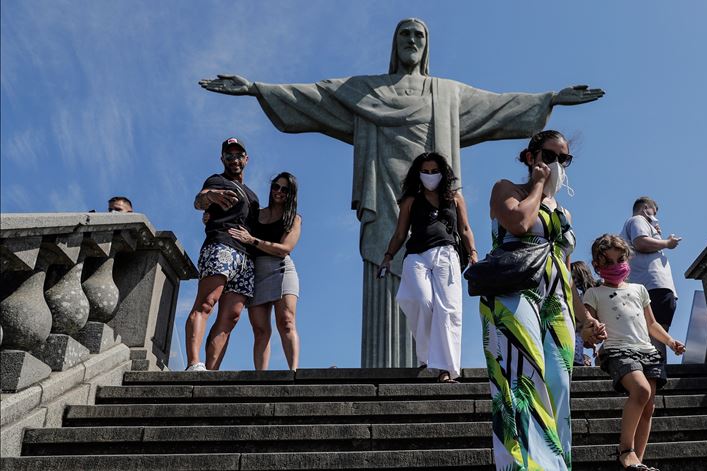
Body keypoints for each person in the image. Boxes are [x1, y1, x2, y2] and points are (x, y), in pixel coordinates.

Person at [199, 18, 605, 368]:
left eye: (419, 36)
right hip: (386, 196)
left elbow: (498, 106)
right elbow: (314, 97)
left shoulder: (446, 94)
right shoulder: (366, 92)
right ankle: (392, 367)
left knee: (441, 298)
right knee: (396, 281)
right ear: (395, 45)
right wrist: (256, 89)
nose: (412, 41)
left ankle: (440, 364)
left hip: (437, 207)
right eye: (405, 35)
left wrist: (549, 99)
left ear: (427, 47)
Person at [481, 130, 606, 470]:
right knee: (524, 378)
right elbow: (519, 222)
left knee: (559, 383)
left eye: (563, 159)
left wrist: (584, 318)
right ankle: (525, 466)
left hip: (555, 301)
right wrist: (537, 185)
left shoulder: (563, 212)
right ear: (531, 157)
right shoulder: (506, 188)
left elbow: (565, 268)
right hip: (513, 291)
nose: (556, 165)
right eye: (549, 156)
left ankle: (557, 464)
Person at [583, 234, 685, 470]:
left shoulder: (639, 290)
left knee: (648, 406)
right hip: (618, 350)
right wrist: (589, 335)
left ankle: (637, 462)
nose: (616, 266)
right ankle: (625, 451)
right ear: (597, 266)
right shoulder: (593, 294)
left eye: (620, 259)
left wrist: (670, 342)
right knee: (640, 390)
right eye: (608, 262)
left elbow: (652, 324)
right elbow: (586, 325)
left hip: (647, 350)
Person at [380, 152, 477, 383]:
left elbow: (464, 229)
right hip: (416, 256)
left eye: (435, 171)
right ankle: (427, 355)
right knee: (422, 301)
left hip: (447, 254)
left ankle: (445, 370)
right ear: (418, 173)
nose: (430, 175)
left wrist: (473, 252)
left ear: (443, 173)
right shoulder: (411, 200)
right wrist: (388, 256)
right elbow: (400, 233)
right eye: (426, 171)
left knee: (448, 310)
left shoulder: (455, 198)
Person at [185, 137, 260, 371]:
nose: (234, 159)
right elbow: (200, 200)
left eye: (239, 155)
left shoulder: (253, 196)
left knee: (232, 316)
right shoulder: (217, 180)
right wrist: (210, 197)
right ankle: (193, 364)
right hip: (221, 245)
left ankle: (212, 371)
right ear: (222, 158)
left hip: (245, 258)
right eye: (229, 155)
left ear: (246, 159)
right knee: (207, 303)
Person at [229, 172, 302, 371]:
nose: (278, 192)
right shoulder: (256, 214)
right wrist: (209, 216)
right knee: (260, 330)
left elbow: (285, 248)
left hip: (281, 270)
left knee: (286, 322)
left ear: (291, 194)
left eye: (284, 189)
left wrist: (253, 240)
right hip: (256, 271)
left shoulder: (294, 219)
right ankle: (261, 377)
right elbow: (231, 223)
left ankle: (293, 372)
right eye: (275, 187)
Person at [620, 196, 681, 362]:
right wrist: (667, 243)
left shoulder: (641, 223)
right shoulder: (637, 219)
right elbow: (640, 243)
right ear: (645, 208)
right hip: (651, 286)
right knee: (655, 333)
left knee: (657, 333)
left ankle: (658, 373)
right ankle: (657, 375)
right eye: (653, 212)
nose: (655, 217)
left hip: (656, 286)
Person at [571, 260, 600, 366]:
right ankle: (578, 361)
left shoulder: (597, 288)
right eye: (572, 279)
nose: (574, 281)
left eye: (576, 277)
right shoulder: (579, 296)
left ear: (583, 274)